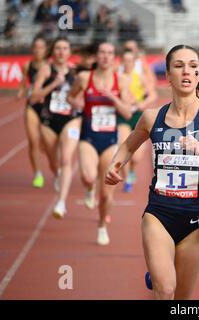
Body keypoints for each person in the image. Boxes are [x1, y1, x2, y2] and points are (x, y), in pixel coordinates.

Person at [105, 44, 199, 299]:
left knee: (182, 296)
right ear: (168, 75)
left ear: (198, 75)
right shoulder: (152, 117)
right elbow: (128, 145)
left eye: (193, 67)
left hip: (197, 217)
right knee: (166, 289)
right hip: (159, 213)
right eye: (179, 66)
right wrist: (115, 166)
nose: (186, 72)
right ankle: (159, 277)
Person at [67, 42, 132, 245]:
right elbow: (70, 96)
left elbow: (128, 113)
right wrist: (76, 102)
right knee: (88, 175)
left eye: (110, 53)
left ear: (114, 57)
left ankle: (102, 225)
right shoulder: (85, 77)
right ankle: (88, 189)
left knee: (106, 195)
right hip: (88, 137)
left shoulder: (120, 80)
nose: (105, 56)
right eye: (102, 52)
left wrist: (112, 97)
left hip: (110, 140)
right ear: (96, 56)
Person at [30, 36, 81, 218]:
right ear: (53, 52)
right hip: (49, 120)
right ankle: (57, 173)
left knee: (67, 159)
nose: (61, 52)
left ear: (69, 52)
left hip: (71, 119)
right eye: (58, 48)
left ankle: (61, 202)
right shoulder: (46, 70)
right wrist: (53, 84)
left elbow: (82, 99)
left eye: (65, 48)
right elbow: (34, 97)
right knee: (54, 162)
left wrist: (77, 102)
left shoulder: (76, 73)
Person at [117, 49, 158, 192]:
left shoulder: (139, 77)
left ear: (134, 63)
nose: (127, 63)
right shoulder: (117, 76)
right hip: (123, 116)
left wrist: (143, 103)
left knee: (136, 157)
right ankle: (127, 178)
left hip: (137, 116)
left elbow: (152, 95)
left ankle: (132, 169)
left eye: (130, 61)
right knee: (124, 145)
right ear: (122, 61)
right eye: (125, 61)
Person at [17, 35, 48, 188]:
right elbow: (24, 83)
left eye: (41, 47)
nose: (38, 50)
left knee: (46, 143)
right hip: (32, 105)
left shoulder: (49, 66)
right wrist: (21, 91)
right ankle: (37, 173)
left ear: (46, 50)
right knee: (33, 141)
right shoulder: (27, 65)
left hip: (48, 107)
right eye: (35, 47)